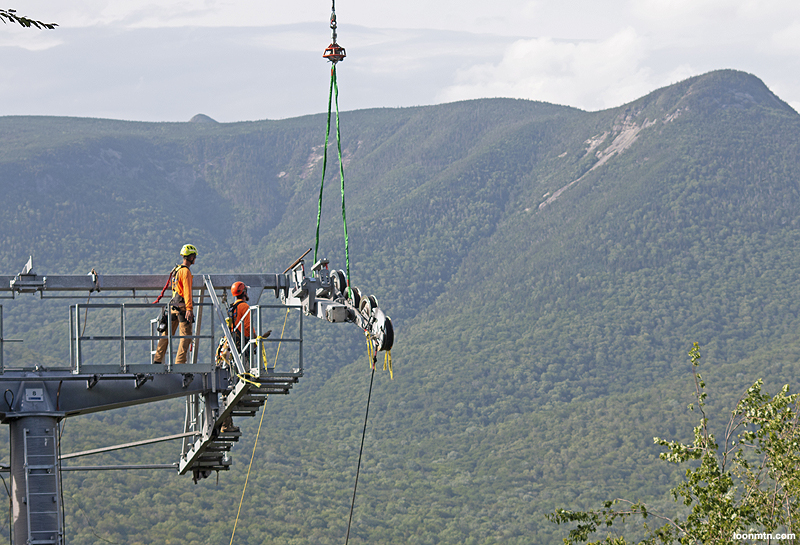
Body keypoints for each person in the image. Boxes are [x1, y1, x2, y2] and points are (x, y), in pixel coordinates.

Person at [153, 244, 197, 365]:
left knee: (166, 334)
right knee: (186, 336)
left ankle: (157, 360)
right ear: (191, 257)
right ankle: (180, 363)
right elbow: (187, 291)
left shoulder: (176, 271)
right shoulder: (185, 272)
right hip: (182, 307)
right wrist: (189, 309)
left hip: (173, 306)